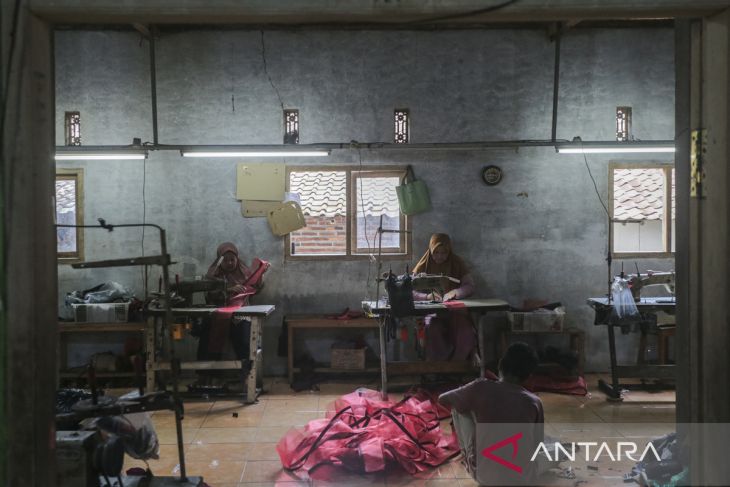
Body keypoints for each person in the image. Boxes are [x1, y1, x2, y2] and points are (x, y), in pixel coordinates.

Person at [439, 342, 544, 485]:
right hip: (523, 480)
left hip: (486, 478)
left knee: (459, 406)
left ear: (500, 364)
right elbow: (538, 444)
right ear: (529, 376)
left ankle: (469, 458)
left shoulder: (480, 387)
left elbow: (442, 399)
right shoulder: (535, 402)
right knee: (549, 452)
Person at [412, 233, 476, 360]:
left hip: (455, 311)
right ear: (431, 251)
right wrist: (427, 297)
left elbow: (470, 286)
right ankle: (440, 366)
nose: (440, 256)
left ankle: (457, 363)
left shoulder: (457, 263)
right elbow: (410, 291)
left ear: (449, 251)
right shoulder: (424, 264)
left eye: (444, 253)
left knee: (465, 331)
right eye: (436, 252)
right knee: (432, 329)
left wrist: (455, 292)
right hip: (433, 312)